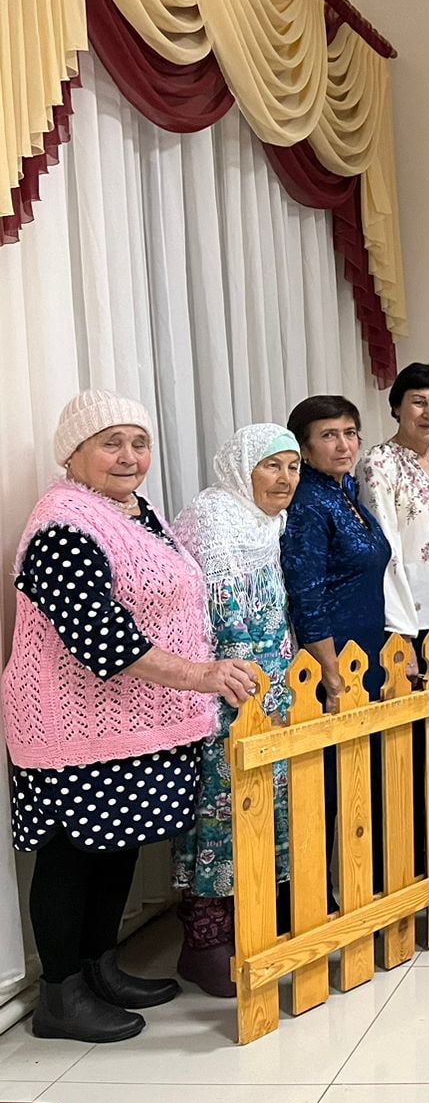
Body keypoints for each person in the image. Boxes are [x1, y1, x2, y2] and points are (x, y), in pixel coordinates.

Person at [4, 391, 257, 1042]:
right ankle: (61, 995)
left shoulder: (134, 511)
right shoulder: (62, 524)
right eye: (110, 442)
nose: (129, 456)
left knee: (115, 848)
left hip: (128, 722)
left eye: (139, 442)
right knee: (70, 858)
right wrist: (202, 675)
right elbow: (101, 637)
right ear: (73, 454)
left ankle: (99, 968)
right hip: (73, 727)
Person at [170, 424, 301, 999]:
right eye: (271, 465)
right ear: (240, 468)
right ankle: (203, 942)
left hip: (271, 684)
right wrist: (249, 684)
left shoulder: (267, 521)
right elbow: (221, 611)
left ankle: (252, 924)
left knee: (266, 802)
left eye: (293, 467)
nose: (285, 479)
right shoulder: (215, 515)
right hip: (226, 688)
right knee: (220, 808)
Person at [281, 395, 391, 704]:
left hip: (367, 645)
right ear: (303, 449)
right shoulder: (308, 503)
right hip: (333, 657)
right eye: (329, 435)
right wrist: (333, 678)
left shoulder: (345, 489)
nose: (344, 445)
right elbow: (307, 599)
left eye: (350, 433)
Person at [358, 362, 429, 641]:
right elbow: (384, 547)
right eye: (419, 402)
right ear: (396, 408)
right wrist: (399, 629)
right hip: (408, 622)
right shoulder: (379, 462)